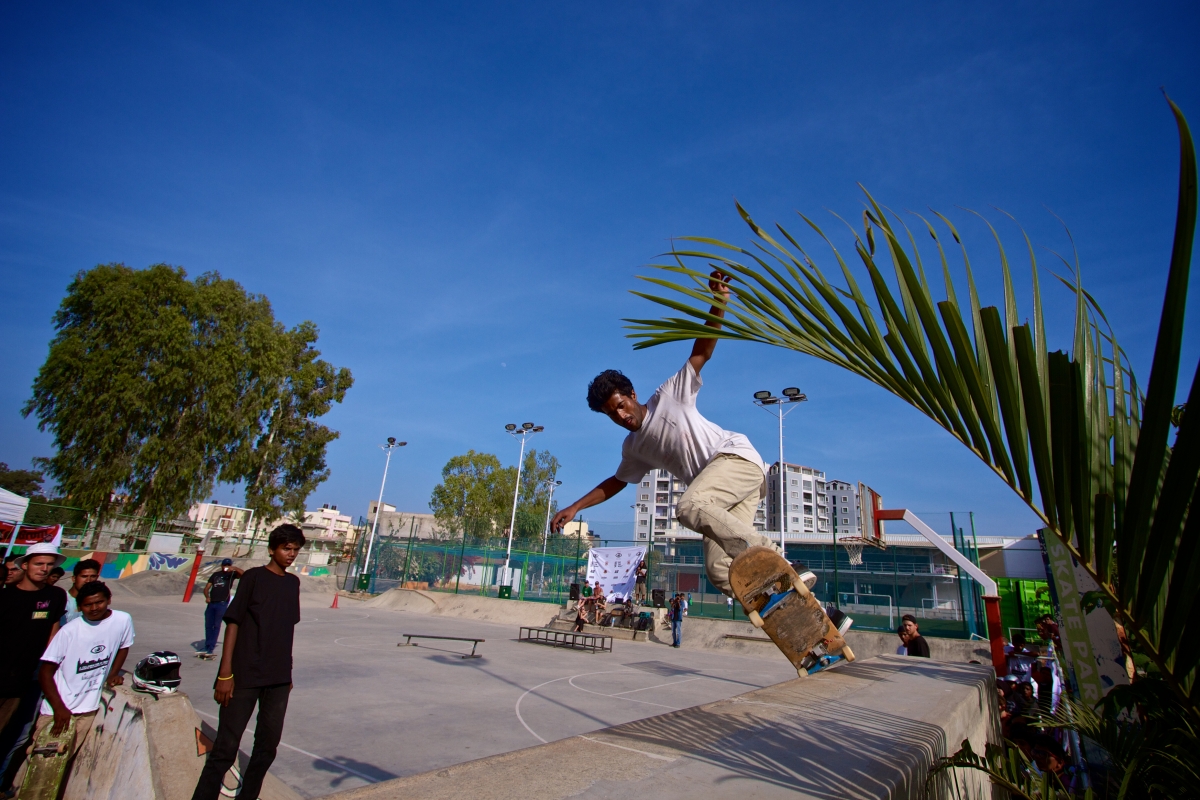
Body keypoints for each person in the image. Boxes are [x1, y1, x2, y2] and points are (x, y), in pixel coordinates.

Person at [550, 271, 782, 607]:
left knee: (688, 506)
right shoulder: (635, 448)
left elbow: (702, 350)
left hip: (736, 460)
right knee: (720, 570)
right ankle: (789, 604)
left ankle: (777, 562)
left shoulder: (670, 395)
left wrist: (718, 302)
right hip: (722, 499)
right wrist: (575, 507)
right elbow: (616, 482)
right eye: (611, 415)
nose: (621, 416)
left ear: (632, 394)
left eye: (621, 406)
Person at [191, 525, 305, 800]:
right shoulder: (253, 578)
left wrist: (287, 673)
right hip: (244, 675)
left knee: (267, 748)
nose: (291, 554)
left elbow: (286, 631)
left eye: (295, 550)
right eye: (285, 548)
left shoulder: (293, 584)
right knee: (226, 748)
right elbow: (233, 623)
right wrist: (225, 673)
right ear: (272, 549)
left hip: (277, 678)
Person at [15, 581, 132, 788]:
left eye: (99, 602)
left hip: (87, 710)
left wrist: (113, 673)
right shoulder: (69, 631)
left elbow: (124, 645)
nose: (94, 608)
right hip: (58, 711)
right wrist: (59, 709)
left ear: (109, 600)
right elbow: (45, 673)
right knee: (41, 764)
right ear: (79, 607)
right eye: (88, 605)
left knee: (61, 764)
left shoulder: (123, 620)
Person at [0, 543, 68, 794]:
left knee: (18, 736)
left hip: (32, 678)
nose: (45, 569)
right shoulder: (6, 596)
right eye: (39, 564)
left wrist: (49, 665)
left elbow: (54, 631)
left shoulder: (56, 596)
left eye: (50, 564)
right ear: (24, 565)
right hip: (4, 678)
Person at [202, 559, 243, 659]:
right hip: (212, 603)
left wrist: (234, 569)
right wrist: (207, 596)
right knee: (208, 625)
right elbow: (207, 588)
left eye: (228, 565)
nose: (226, 566)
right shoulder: (216, 574)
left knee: (216, 625)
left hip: (222, 603)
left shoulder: (232, 575)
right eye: (225, 565)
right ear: (222, 565)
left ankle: (210, 647)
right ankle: (207, 644)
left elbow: (244, 575)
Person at [62, 558, 101, 625]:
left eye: (93, 576)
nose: (88, 580)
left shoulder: (98, 602)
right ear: (74, 578)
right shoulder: (63, 600)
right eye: (84, 576)